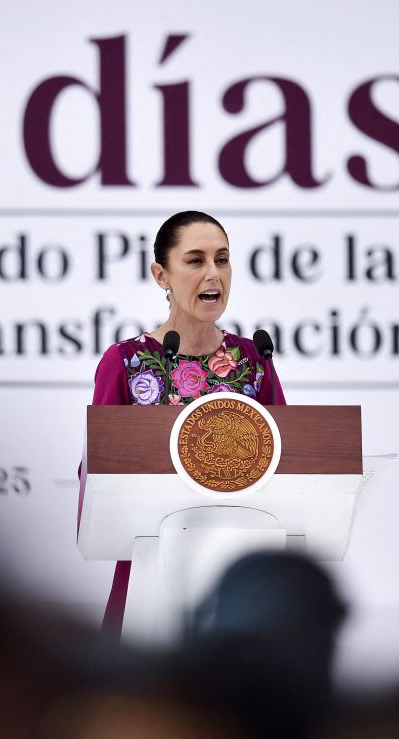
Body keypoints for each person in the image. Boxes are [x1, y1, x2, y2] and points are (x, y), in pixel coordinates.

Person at [78, 210, 287, 636]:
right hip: (151, 565)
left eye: (222, 260)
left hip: (241, 573)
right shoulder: (125, 363)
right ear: (161, 275)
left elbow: (289, 462)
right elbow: (95, 474)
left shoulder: (253, 361)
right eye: (195, 261)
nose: (213, 274)